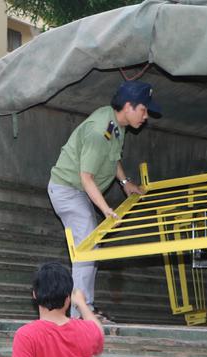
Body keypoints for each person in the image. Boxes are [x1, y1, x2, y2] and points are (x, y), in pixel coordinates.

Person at [48, 80, 161, 319]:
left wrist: (125, 182)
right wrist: (106, 209)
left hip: (79, 191)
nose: (146, 116)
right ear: (128, 106)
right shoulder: (99, 131)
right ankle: (80, 313)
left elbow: (112, 157)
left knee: (90, 245)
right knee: (87, 246)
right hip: (68, 190)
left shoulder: (116, 123)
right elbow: (86, 177)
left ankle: (84, 306)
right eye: (143, 110)